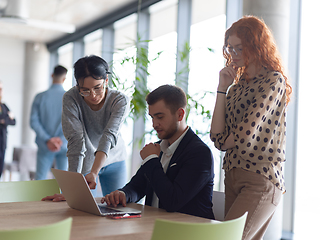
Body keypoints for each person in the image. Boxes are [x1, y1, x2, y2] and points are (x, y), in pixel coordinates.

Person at [210, 16, 292, 239]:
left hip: (260, 177)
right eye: (230, 48)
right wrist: (221, 89)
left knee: (226, 238)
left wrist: (227, 140)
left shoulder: (274, 81)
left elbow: (246, 133)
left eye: (239, 48)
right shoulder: (236, 88)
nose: (233, 54)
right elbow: (216, 137)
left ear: (256, 47)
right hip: (233, 175)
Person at [102, 84, 215, 220]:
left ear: (180, 114)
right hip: (154, 225)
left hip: (188, 231)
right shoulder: (158, 148)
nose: (154, 124)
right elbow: (137, 186)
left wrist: (151, 160)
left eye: (160, 117)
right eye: (152, 117)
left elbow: (172, 202)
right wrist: (123, 194)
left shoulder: (199, 153)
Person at [30, 65, 68, 180]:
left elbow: (33, 121)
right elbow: (74, 123)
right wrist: (60, 139)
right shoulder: (69, 98)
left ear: (52, 75)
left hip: (45, 145)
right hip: (64, 144)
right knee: (64, 181)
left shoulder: (40, 97)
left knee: (40, 179)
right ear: (64, 79)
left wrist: (48, 139)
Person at [0, 81, 16, 178]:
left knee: (1, 166)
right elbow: (9, 119)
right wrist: (7, 118)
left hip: (2, 142)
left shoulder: (4, 106)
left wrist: (3, 120)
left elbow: (14, 121)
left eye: (1, 89)